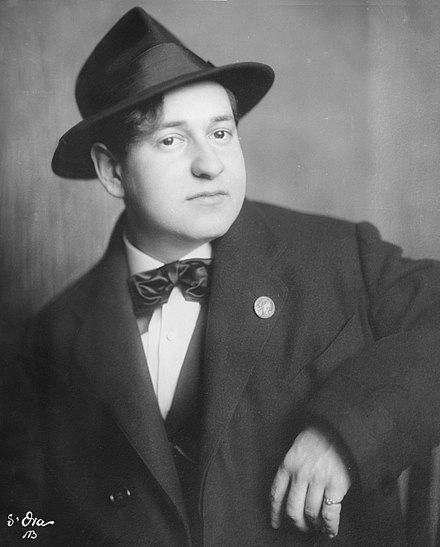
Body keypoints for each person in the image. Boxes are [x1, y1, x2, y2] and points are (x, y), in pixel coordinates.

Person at [7, 6, 440, 546]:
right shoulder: (50, 337)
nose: (210, 164)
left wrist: (346, 432)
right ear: (112, 171)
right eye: (171, 140)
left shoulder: (341, 257)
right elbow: (20, 523)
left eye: (220, 132)